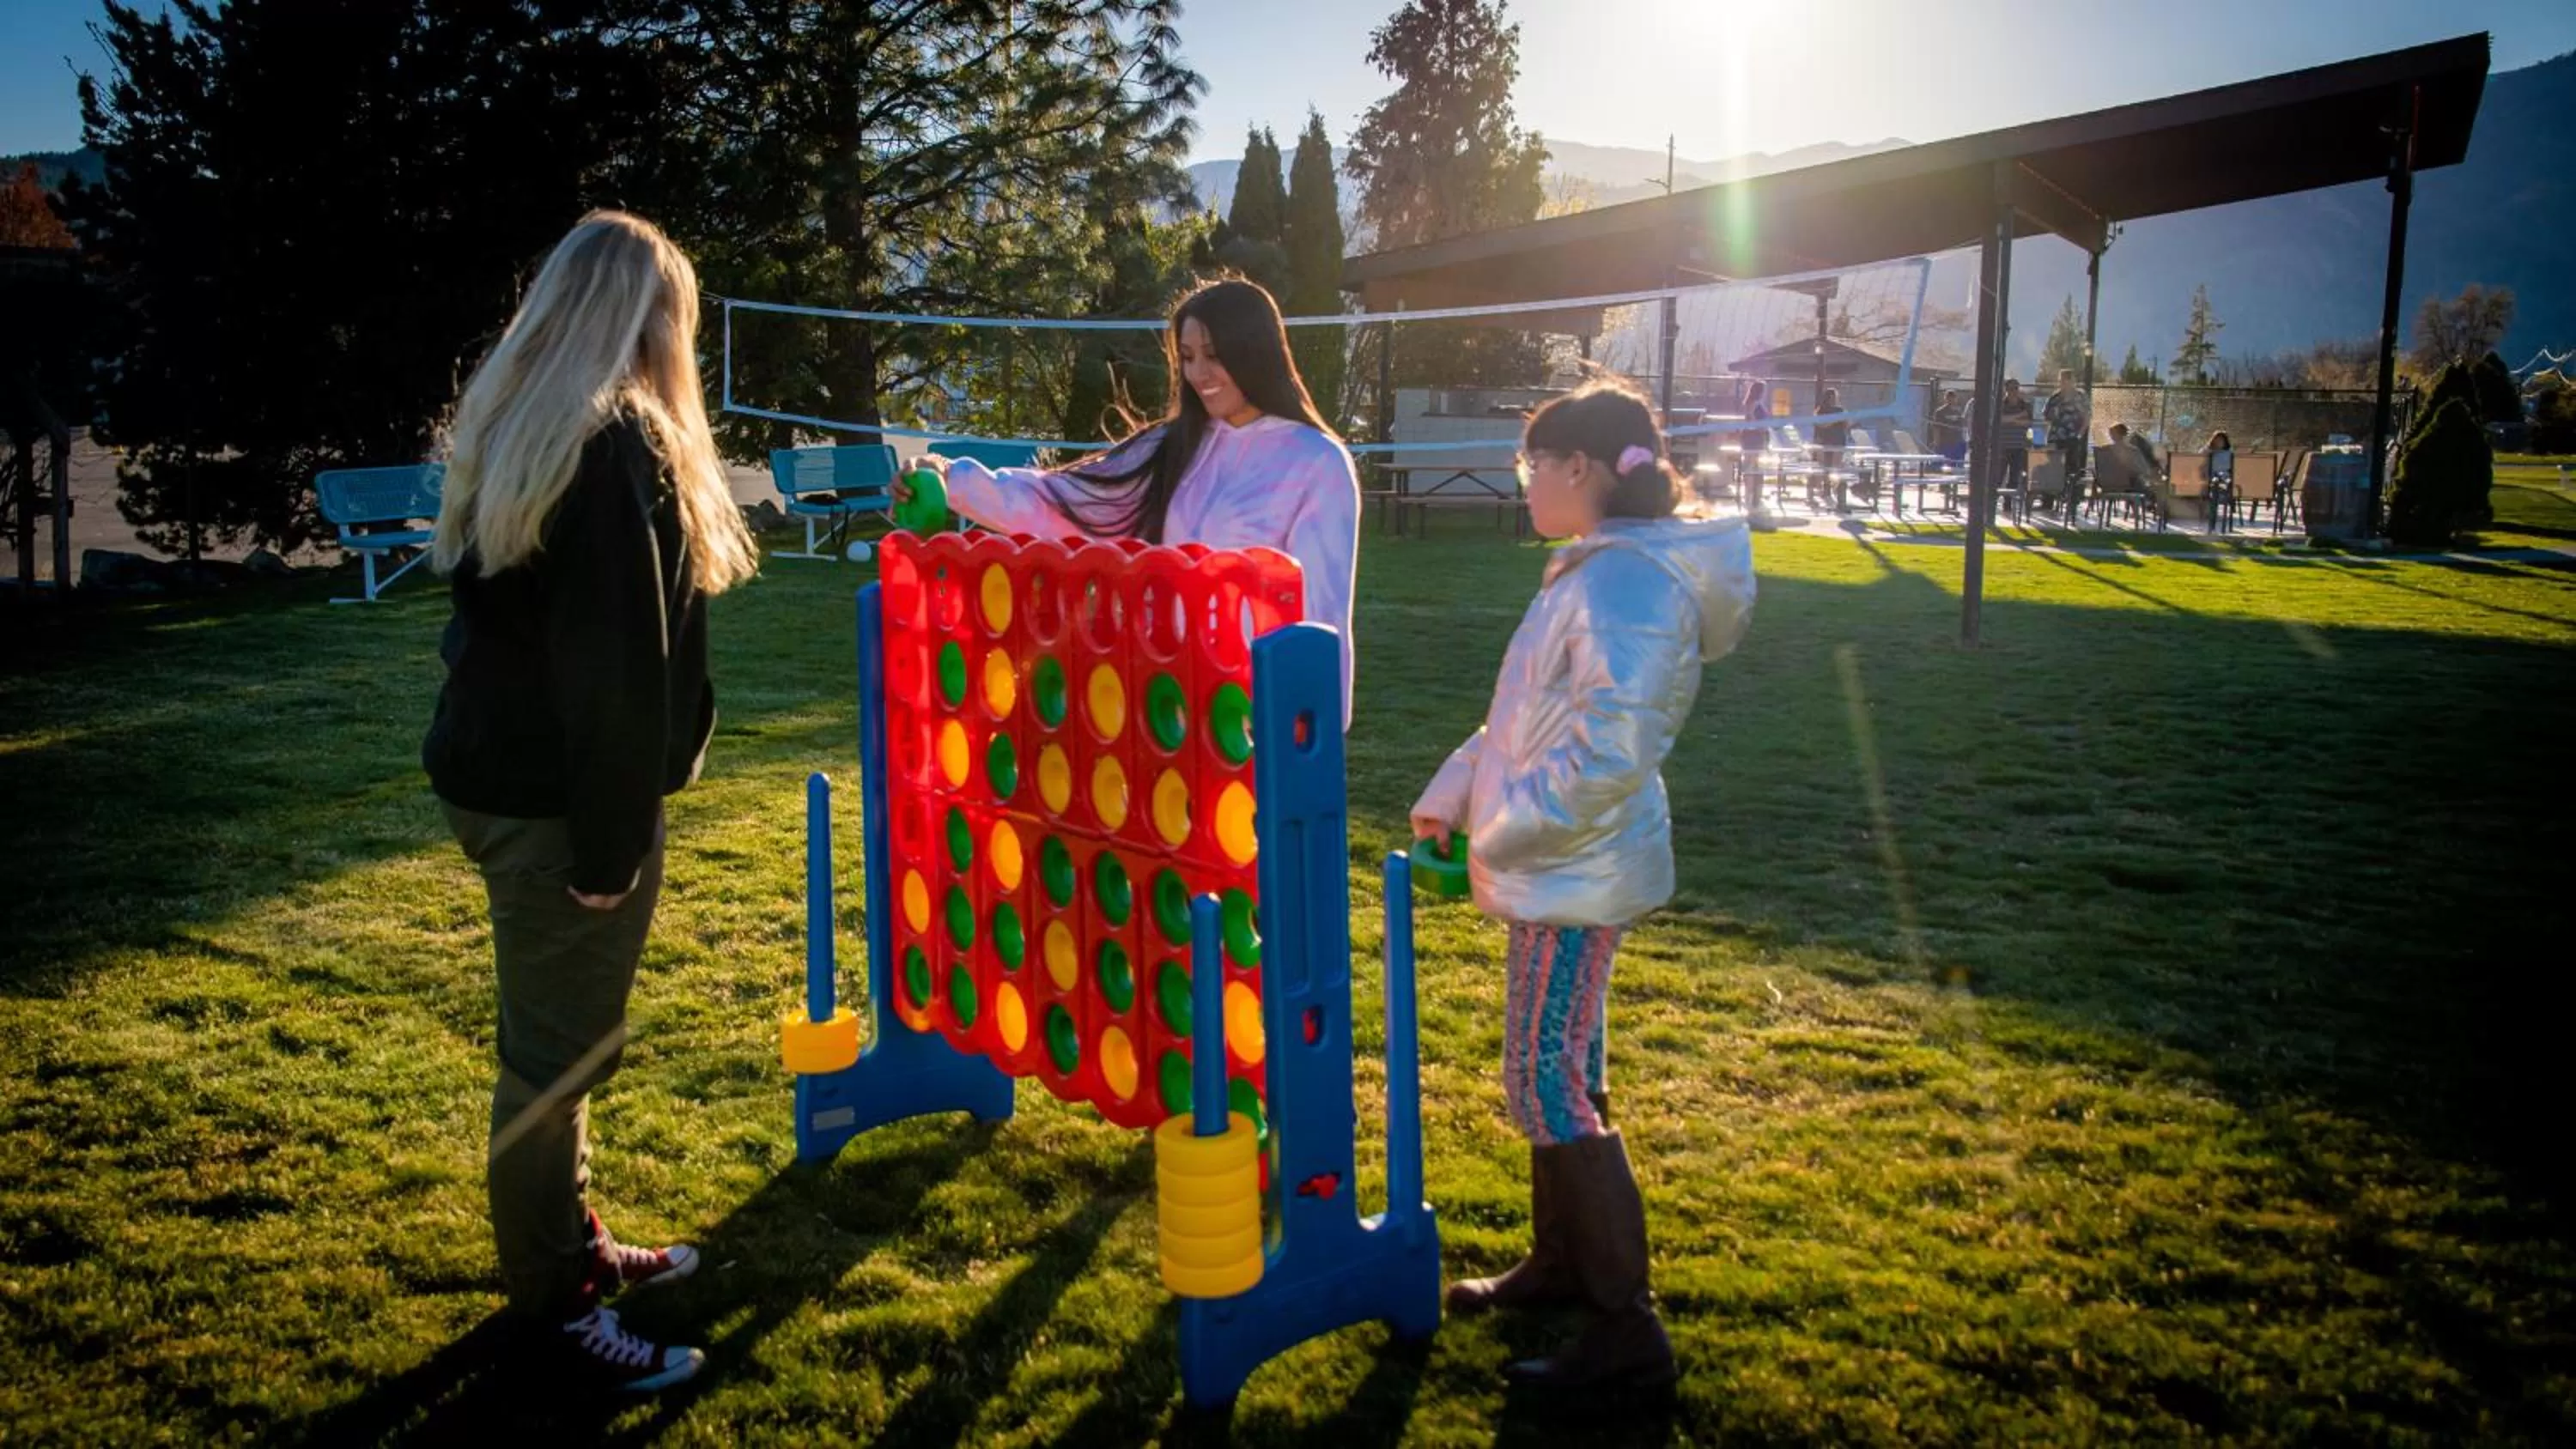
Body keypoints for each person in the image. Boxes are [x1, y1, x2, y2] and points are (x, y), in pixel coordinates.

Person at [422, 211, 759, 1392]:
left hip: (499, 782)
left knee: (558, 1051)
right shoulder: (614, 444)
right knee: (555, 1065)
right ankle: (556, 1314)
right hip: (561, 805)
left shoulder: (524, 418)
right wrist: (613, 850)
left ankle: (575, 1247)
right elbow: (612, 675)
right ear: (648, 319)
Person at [1407, 374, 1756, 1391]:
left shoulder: (1625, 584)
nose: (1524, 482)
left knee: (1540, 1077)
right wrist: (1457, 793)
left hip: (1574, 866)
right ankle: (1562, 1262)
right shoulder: (1593, 570)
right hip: (1560, 860)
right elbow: (1524, 718)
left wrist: (1502, 835)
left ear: (1583, 469)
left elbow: (1610, 753)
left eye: (1532, 464)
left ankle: (1624, 1327)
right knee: (1561, 1067)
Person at [903, 277, 1362, 724]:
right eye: (1187, 357)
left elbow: (1322, 616)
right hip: (1164, 707)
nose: (1199, 374)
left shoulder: (1317, 463)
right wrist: (949, 480)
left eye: (1214, 355)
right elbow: (1061, 499)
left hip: (1253, 724)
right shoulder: (1174, 445)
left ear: (1254, 350)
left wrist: (1309, 729)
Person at [2043, 369, 2089, 513]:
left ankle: (2072, 503)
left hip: (2072, 438)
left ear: (2072, 381)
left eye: (2066, 380)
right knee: (2051, 469)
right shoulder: (2055, 397)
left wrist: (2079, 435)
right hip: (2056, 438)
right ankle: (2048, 501)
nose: (2063, 383)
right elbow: (2046, 416)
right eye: (2061, 380)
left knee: (2072, 470)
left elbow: (2087, 417)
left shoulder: (2080, 396)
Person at [1812, 386, 1851, 511]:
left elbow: (1847, 424)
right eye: (1832, 397)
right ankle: (1824, 489)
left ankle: (1835, 489)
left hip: (1838, 441)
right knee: (1824, 466)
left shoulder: (1840, 410)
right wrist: (1834, 421)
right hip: (1825, 441)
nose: (1834, 399)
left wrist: (1844, 420)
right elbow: (1820, 424)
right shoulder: (1821, 411)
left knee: (1836, 466)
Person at [1996, 378, 2034, 497]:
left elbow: (2029, 423)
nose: (2013, 392)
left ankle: (2008, 505)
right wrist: (2019, 416)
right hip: (2003, 445)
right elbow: (2000, 420)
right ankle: (1993, 502)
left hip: (2020, 446)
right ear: (2006, 390)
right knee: (1998, 476)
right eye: (2010, 389)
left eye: (2016, 389)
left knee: (2014, 477)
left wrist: (2011, 420)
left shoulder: (2025, 405)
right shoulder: (2000, 405)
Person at [2206, 429, 2237, 530]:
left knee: (2217, 485)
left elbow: (2228, 468)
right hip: (2205, 478)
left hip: (2221, 479)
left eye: (2221, 441)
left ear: (2225, 442)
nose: (2218, 443)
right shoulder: (2207, 451)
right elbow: (2197, 461)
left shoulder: (2229, 453)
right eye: (2216, 440)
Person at [1929, 390, 1968, 463]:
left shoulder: (1958, 411)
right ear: (1946, 399)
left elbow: (1961, 426)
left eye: (1953, 397)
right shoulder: (1940, 412)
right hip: (1945, 443)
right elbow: (1936, 428)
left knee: (1957, 462)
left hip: (1957, 442)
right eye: (1949, 398)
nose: (1951, 400)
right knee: (1945, 462)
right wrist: (1936, 442)